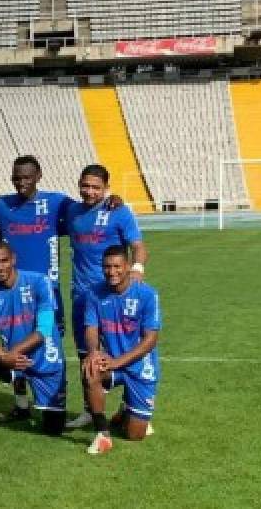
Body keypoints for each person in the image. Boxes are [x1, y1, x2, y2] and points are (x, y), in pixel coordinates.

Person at [0, 156, 72, 421]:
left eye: (26, 177)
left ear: (38, 176)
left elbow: (86, 210)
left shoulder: (57, 202)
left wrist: (110, 199)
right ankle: (22, 404)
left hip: (47, 290)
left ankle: (55, 399)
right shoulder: (2, 205)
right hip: (10, 290)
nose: (21, 183)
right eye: (16, 178)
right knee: (13, 343)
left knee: (51, 343)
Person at [65, 164, 148, 429]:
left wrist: (137, 269)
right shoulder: (71, 211)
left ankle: (130, 404)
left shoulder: (119, 211)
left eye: (96, 187)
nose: (89, 191)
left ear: (106, 189)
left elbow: (138, 246)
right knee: (86, 354)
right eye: (85, 185)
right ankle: (91, 410)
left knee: (123, 350)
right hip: (82, 296)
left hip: (114, 296)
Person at [0, 240, 66, 452]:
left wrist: (8, 354)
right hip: (13, 364)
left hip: (45, 361)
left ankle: (33, 403)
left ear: (13, 259)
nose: (0, 267)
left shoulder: (39, 282)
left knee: (54, 428)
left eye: (4, 261)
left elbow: (44, 331)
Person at [81, 246, 162, 455]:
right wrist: (93, 352)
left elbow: (150, 340)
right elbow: (91, 328)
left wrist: (118, 362)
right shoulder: (94, 294)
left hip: (140, 368)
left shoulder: (147, 294)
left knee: (135, 435)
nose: (112, 272)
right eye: (107, 267)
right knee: (91, 369)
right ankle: (102, 435)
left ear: (127, 267)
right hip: (111, 363)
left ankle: (128, 409)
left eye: (117, 266)